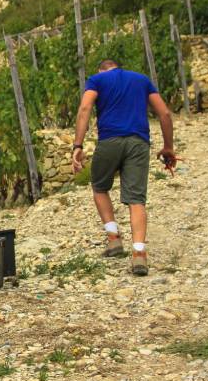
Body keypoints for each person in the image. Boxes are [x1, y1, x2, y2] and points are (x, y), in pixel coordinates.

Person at [71, 59, 175, 276]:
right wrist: (168, 147)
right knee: (136, 199)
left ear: (101, 70)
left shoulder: (96, 80)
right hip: (139, 143)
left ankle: (113, 238)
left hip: (109, 141)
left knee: (99, 186)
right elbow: (164, 113)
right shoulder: (141, 80)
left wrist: (78, 145)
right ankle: (139, 254)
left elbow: (84, 108)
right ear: (118, 67)